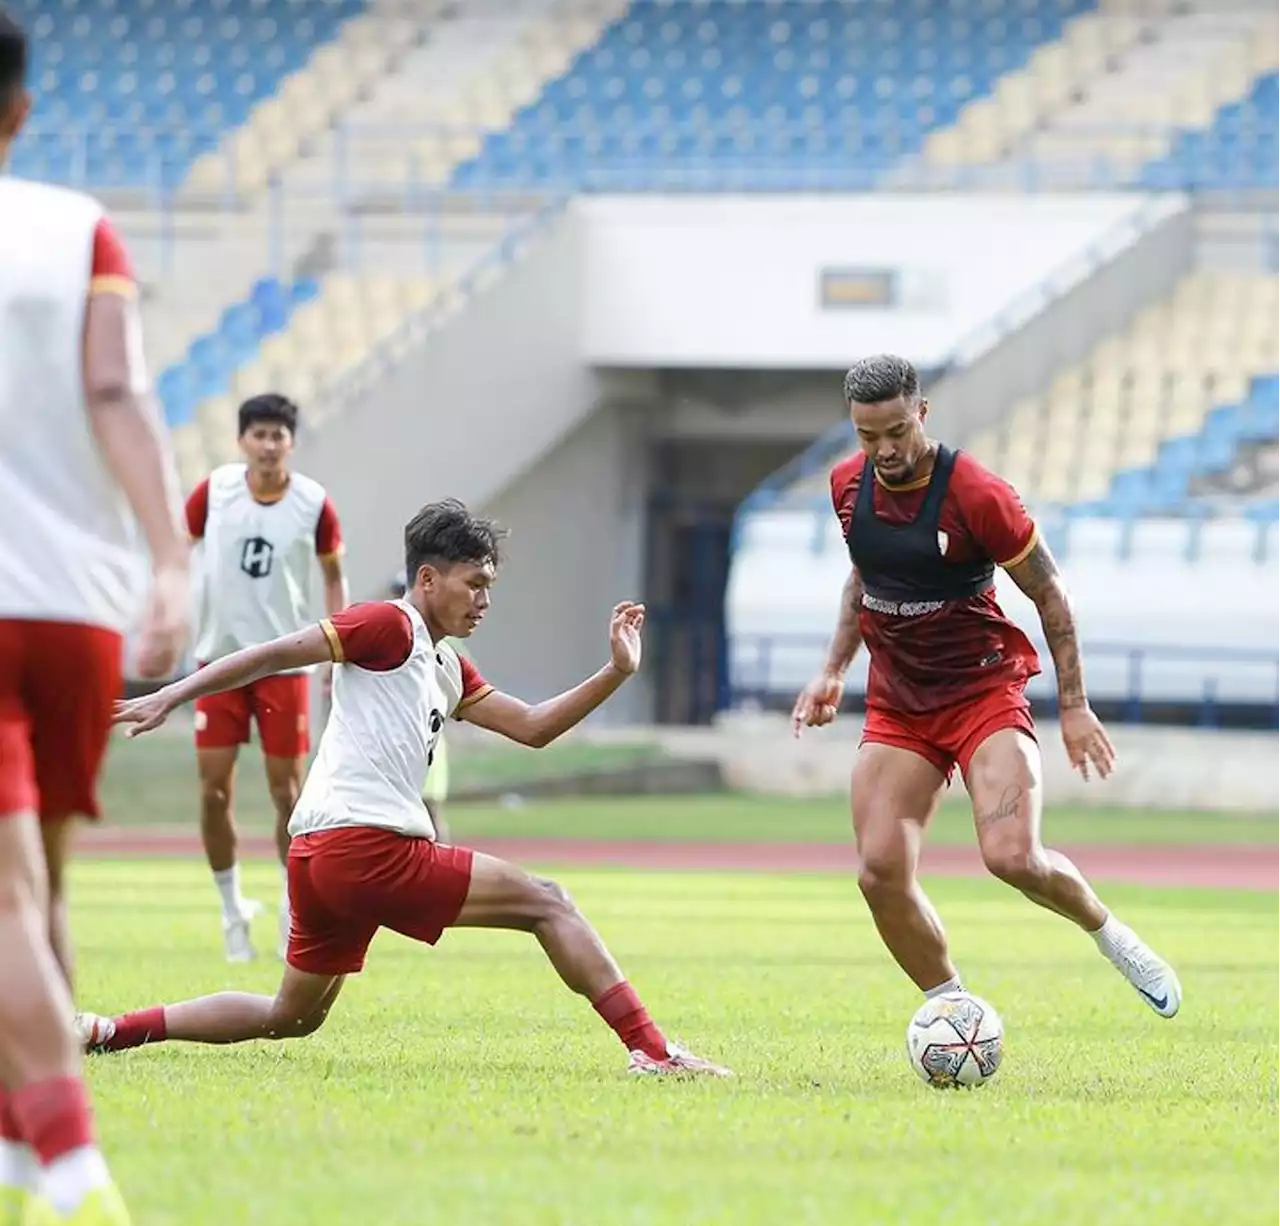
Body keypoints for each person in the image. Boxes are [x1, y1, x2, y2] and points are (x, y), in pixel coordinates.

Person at [75, 500, 729, 1079]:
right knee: (549, 903)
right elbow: (273, 653)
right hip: (367, 848)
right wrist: (171, 695)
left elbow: (532, 728)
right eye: (474, 584)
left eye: (489, 586)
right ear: (428, 578)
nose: (484, 600)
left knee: (291, 1016)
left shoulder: (446, 663)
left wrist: (615, 671)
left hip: (320, 855)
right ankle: (653, 1051)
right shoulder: (388, 626)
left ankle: (107, 1031)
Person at [791, 355, 1181, 1018]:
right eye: (867, 436)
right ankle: (954, 1010)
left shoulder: (975, 492)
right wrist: (832, 670)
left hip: (982, 694)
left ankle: (1111, 935)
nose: (883, 449)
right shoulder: (846, 486)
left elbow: (1050, 592)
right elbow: (866, 578)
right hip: (899, 704)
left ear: (921, 413)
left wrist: (1075, 705)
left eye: (895, 431)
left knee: (1012, 857)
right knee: (878, 873)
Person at [0, 9, 189, 1223]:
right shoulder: (80, 230)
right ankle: (20, 1163)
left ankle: (72, 1167)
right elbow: (114, 387)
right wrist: (170, 557)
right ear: (20, 107)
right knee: (42, 889)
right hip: (74, 611)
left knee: (6, 899)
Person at [186, 393, 349, 963]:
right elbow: (179, 548)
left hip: (283, 663)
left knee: (288, 794)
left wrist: (336, 648)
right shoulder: (214, 491)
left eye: (278, 434)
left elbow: (333, 577)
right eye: (258, 433)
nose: (268, 444)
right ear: (241, 442)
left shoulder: (313, 503)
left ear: (292, 443)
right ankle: (232, 912)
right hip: (218, 664)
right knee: (214, 790)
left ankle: (290, 906)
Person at [389, 570, 451, 842]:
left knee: (431, 811)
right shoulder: (389, 636)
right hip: (396, 742)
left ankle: (444, 872)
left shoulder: (446, 644)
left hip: (429, 738)